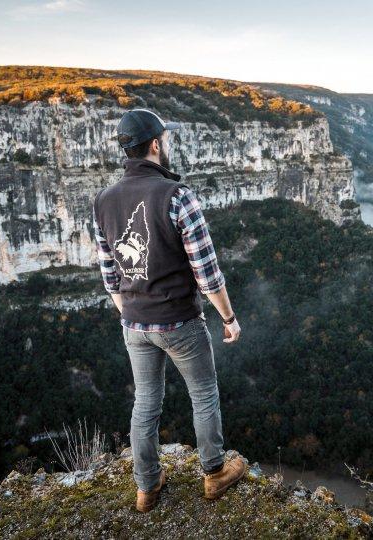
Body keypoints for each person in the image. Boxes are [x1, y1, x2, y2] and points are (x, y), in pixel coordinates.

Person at [91, 108, 247, 512]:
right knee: (204, 395)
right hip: (180, 323)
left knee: (145, 402)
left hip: (134, 324)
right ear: (156, 144)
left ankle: (147, 486)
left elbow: (110, 275)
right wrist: (228, 319)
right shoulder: (178, 196)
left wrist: (132, 313)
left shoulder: (102, 201)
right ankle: (214, 474)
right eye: (166, 139)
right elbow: (207, 273)